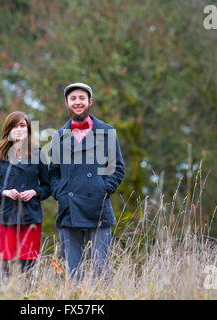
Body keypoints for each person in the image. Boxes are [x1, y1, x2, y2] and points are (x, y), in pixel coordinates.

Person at [49, 82, 125, 280]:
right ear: (66, 103)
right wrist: (61, 194)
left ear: (90, 101)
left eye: (81, 98)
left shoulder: (107, 132)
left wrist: (103, 189)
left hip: (98, 209)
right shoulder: (58, 136)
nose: (77, 102)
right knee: (73, 275)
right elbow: (53, 173)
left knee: (101, 274)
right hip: (68, 211)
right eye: (73, 98)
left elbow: (117, 168)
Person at [0, 111, 50, 275]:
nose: (18, 130)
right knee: (4, 270)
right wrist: (3, 191)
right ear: (8, 131)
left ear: (28, 130)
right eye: (14, 126)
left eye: (22, 126)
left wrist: (34, 191)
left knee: (27, 270)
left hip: (30, 218)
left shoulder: (38, 154)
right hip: (3, 217)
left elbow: (48, 187)